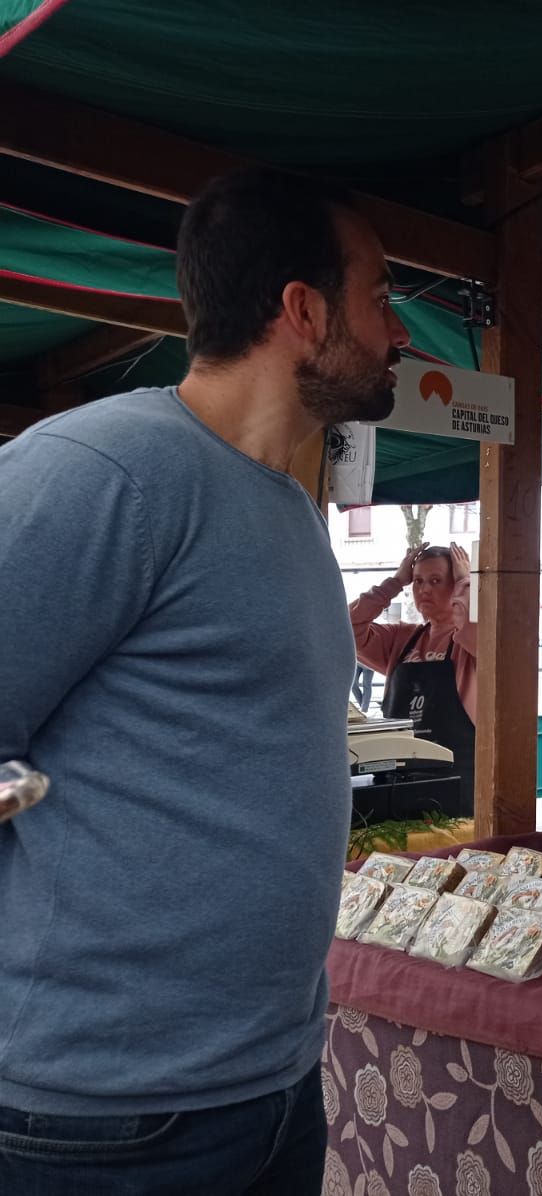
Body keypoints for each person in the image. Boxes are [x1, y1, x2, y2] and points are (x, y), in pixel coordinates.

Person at [0, 168, 410, 1192]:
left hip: (267, 1084)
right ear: (302, 309)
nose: (399, 332)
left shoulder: (279, 503)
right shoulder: (107, 470)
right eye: (382, 295)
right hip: (105, 1116)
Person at [350, 542, 477, 799]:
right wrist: (396, 582)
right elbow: (346, 626)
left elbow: (476, 624)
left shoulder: (470, 642)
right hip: (398, 778)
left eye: (436, 580)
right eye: (418, 581)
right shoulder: (401, 637)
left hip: (457, 781)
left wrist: (466, 580)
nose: (424, 589)